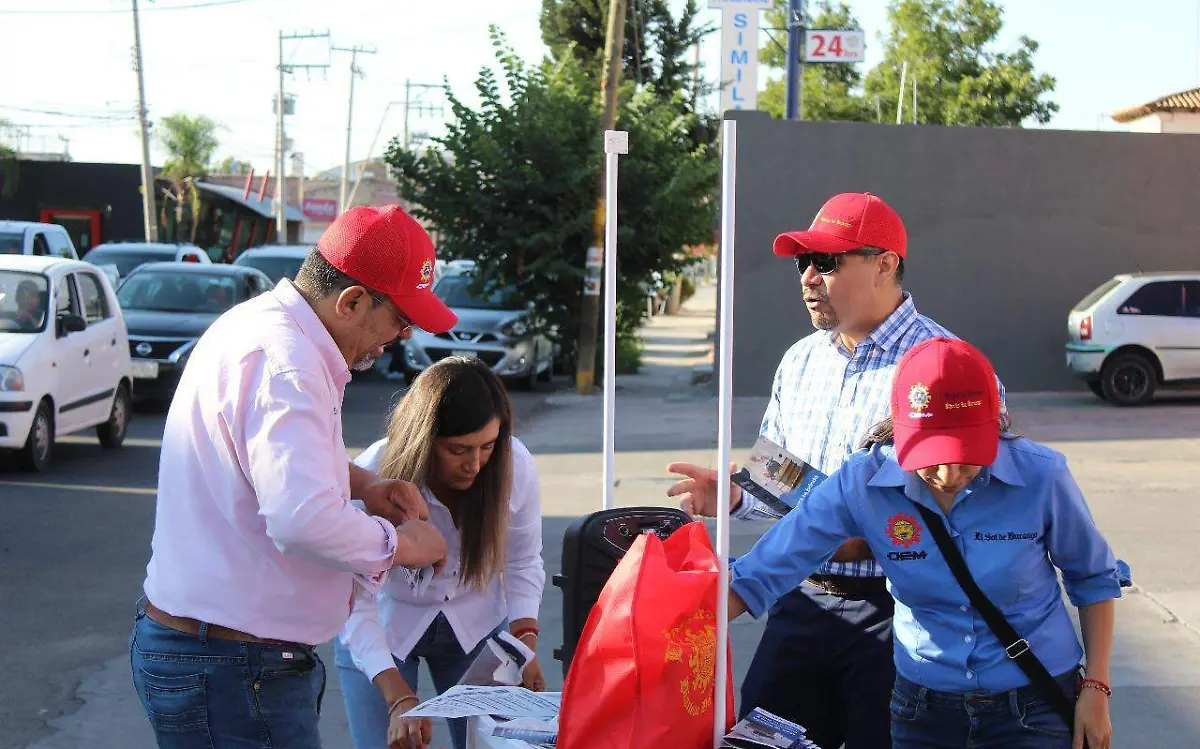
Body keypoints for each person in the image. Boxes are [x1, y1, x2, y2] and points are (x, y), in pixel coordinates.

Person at [667, 192, 1005, 748]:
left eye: (826, 262)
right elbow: (781, 480)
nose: (808, 277)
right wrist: (733, 496)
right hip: (800, 600)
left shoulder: (947, 365)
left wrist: (880, 539)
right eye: (802, 263)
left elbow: (986, 505)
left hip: (905, 615)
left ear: (885, 264)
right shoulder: (801, 360)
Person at [130, 205, 458, 749]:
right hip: (233, 666)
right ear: (351, 301)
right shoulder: (288, 364)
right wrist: (402, 544)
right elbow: (300, 519)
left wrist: (363, 485)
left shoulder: (269, 331)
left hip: (225, 658)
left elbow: (260, 464)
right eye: (399, 319)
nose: (398, 338)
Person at [728, 337, 1118, 749]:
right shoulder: (864, 483)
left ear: (995, 424)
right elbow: (764, 570)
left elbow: (1092, 578)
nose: (950, 476)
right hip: (923, 715)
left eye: (968, 454)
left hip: (1034, 709)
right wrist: (675, 630)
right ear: (900, 428)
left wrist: (1097, 685)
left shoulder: (1041, 477)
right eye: (932, 456)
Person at [335, 356, 546, 749]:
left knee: (496, 743)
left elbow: (522, 559)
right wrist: (398, 697)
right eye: (458, 449)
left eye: (487, 446)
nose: (475, 464)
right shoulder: (375, 475)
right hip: (384, 625)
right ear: (424, 440)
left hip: (476, 624)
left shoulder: (513, 464)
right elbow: (351, 601)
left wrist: (524, 642)